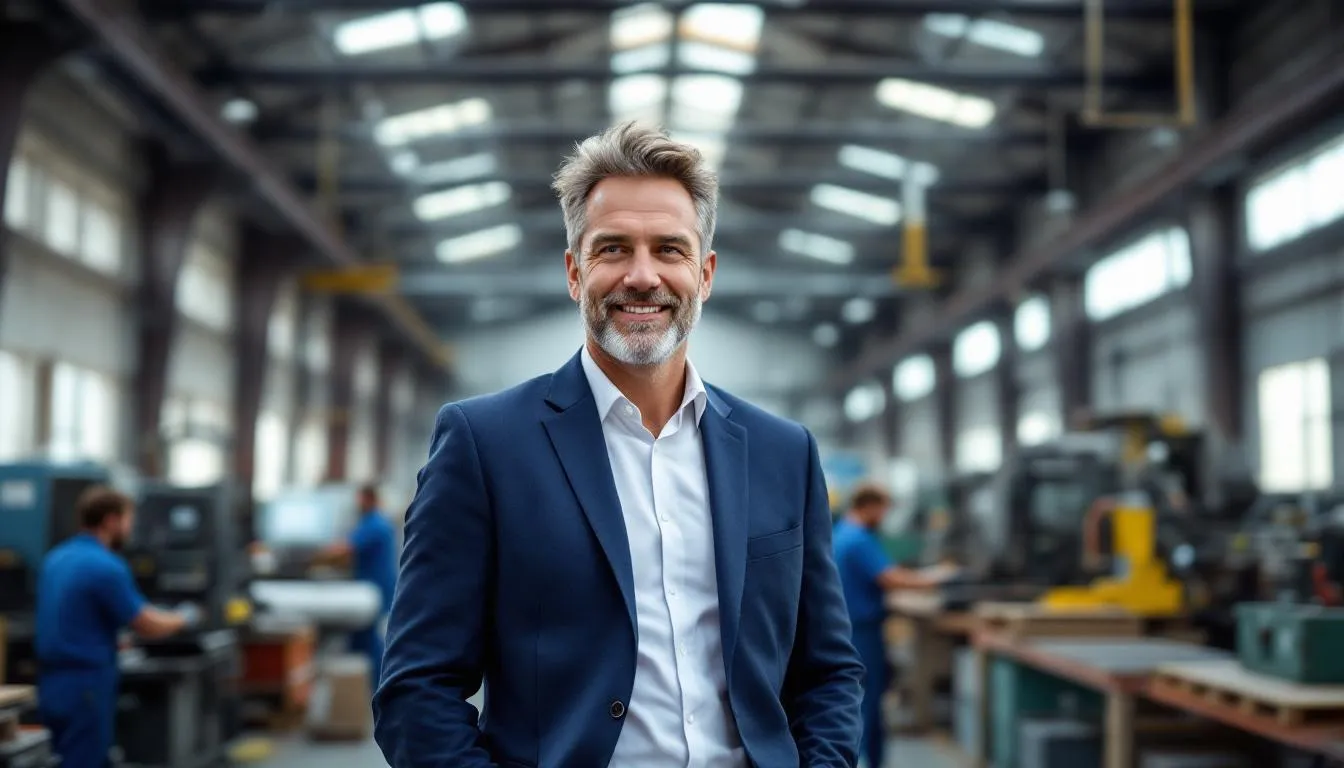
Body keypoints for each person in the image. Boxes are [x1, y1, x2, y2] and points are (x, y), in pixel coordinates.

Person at [374, 122, 865, 767]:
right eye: (613, 249)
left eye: (669, 249)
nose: (642, 276)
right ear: (575, 272)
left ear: (705, 274)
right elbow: (417, 689)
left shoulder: (784, 453)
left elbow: (827, 672)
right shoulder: (485, 445)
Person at [36, 487, 195, 768]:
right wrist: (184, 618)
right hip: (86, 684)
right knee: (84, 760)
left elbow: (71, 616)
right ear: (112, 521)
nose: (130, 529)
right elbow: (146, 624)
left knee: (60, 757)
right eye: (128, 520)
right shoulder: (106, 566)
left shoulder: (55, 559)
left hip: (51, 681)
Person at [832, 483, 943, 768]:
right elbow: (890, 577)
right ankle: (866, 760)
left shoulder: (842, 533)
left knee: (856, 697)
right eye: (883, 509)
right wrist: (936, 578)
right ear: (869, 506)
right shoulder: (858, 539)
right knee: (868, 700)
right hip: (862, 631)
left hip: (848, 627)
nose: (884, 516)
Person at [317, 483, 398, 688]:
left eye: (359, 499)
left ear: (369, 499)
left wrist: (314, 554)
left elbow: (344, 549)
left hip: (374, 591)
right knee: (361, 640)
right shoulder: (375, 522)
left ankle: (377, 687)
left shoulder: (375, 524)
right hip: (374, 589)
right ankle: (364, 689)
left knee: (370, 643)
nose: (357, 503)